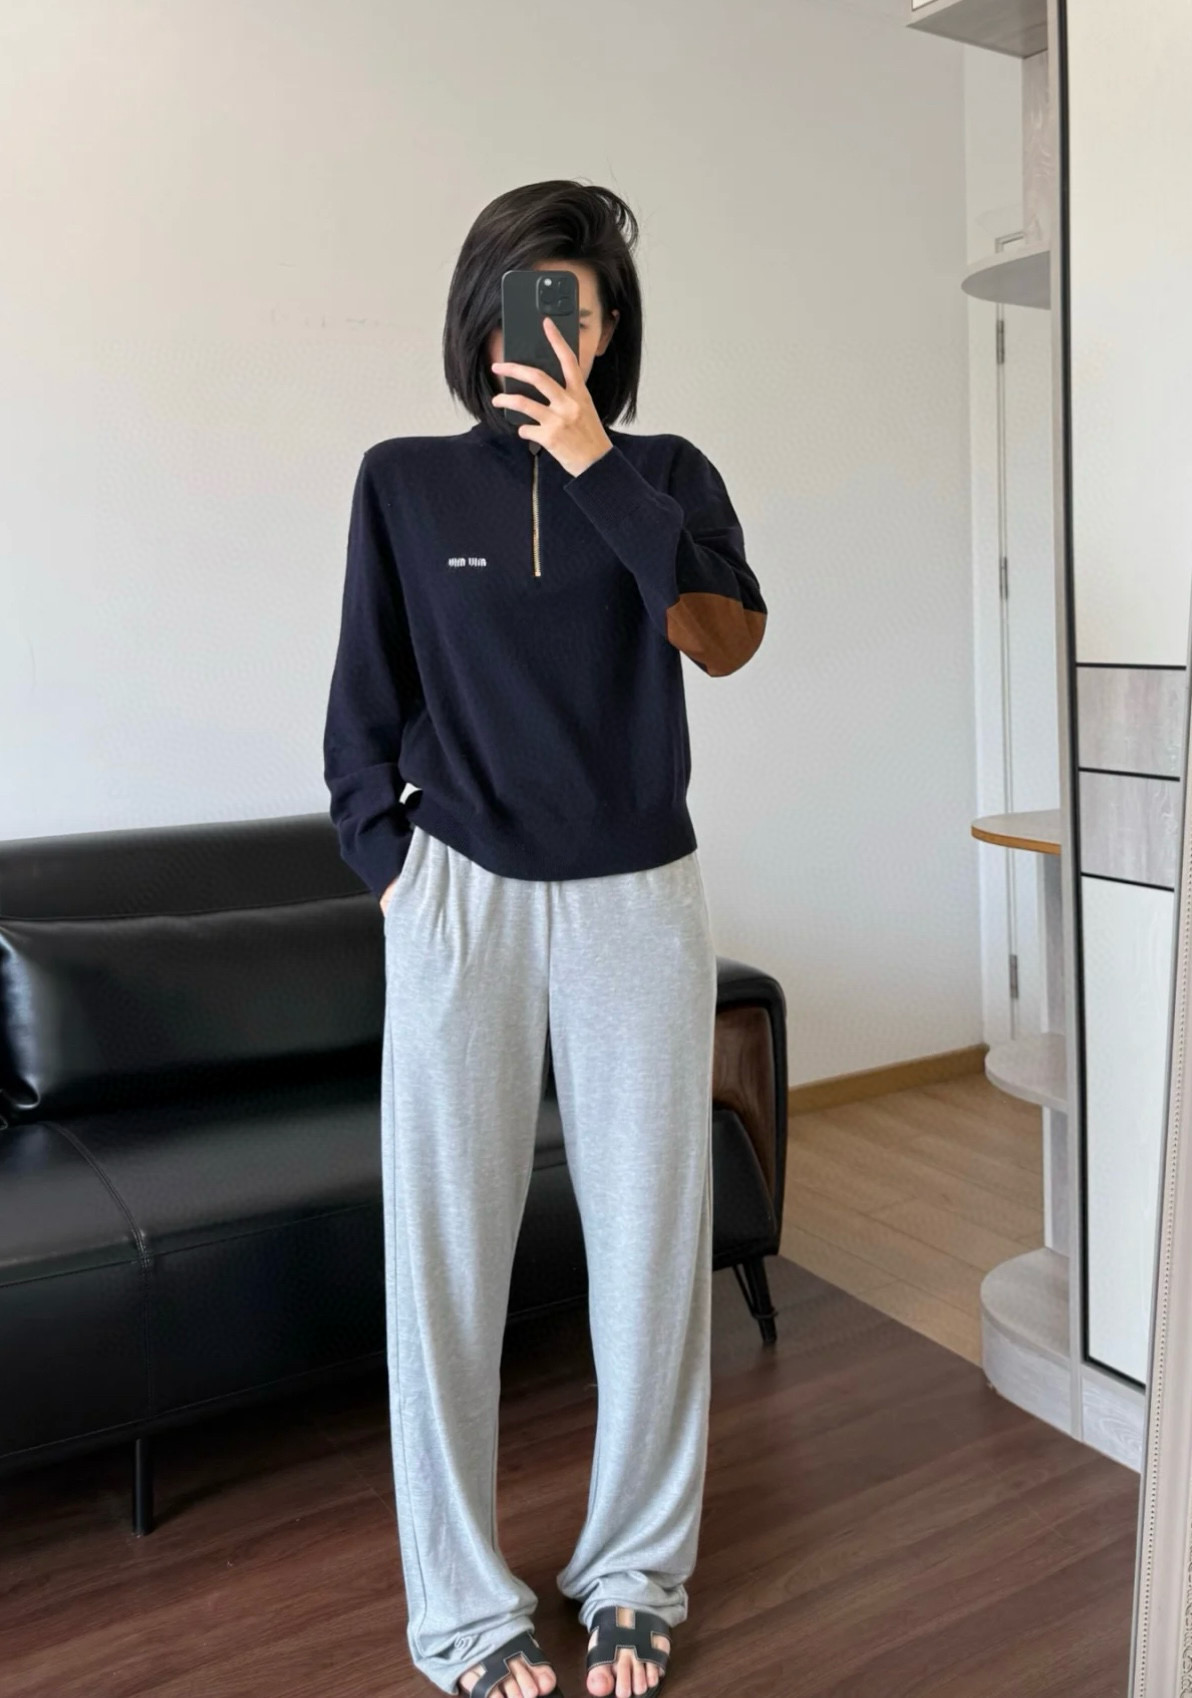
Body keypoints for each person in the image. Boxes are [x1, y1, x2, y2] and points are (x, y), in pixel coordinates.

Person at [322, 178, 767, 1698]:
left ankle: (634, 1568)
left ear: (614, 328)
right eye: (532, 300)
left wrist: (594, 466)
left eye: (584, 307)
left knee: (649, 1243)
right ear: (481, 313)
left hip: (638, 896)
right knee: (444, 1256)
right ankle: (459, 1606)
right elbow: (361, 705)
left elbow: (724, 640)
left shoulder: (667, 474)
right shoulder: (401, 483)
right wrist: (393, 869)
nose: (558, 329)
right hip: (460, 892)